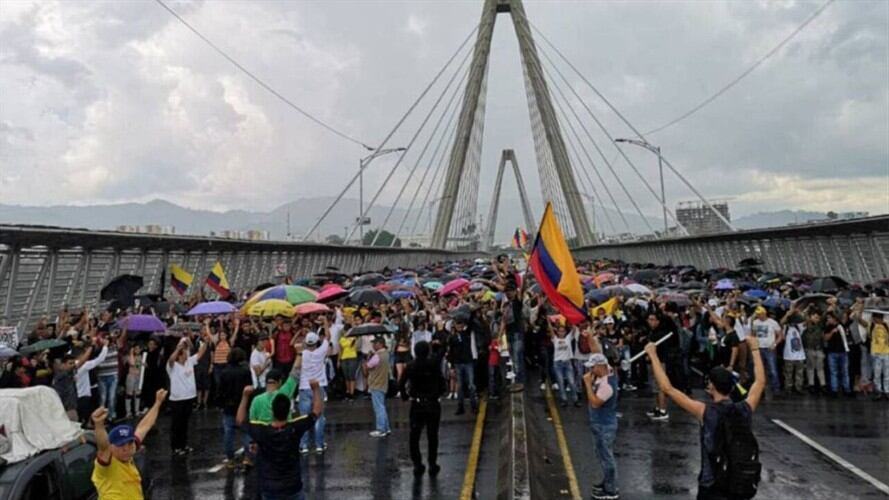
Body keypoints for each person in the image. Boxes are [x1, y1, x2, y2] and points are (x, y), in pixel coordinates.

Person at [645, 335, 765, 500]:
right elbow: (760, 382)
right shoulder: (745, 408)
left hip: (712, 484)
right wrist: (755, 349)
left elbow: (667, 388)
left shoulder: (706, 411)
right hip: (739, 481)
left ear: (712, 387)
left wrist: (653, 355)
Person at [236, 380, 324, 500]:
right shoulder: (295, 428)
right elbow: (316, 412)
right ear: (288, 411)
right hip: (292, 486)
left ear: (272, 410)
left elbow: (240, 420)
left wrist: (245, 396)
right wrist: (316, 389)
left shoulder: (262, 431)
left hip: (270, 487)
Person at [90, 388, 168, 500]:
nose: (126, 449)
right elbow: (103, 446)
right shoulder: (108, 464)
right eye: (121, 445)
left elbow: (144, 426)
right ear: (111, 447)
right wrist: (99, 425)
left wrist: (158, 403)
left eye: (130, 444)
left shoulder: (129, 452)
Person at [399, 341, 447, 476]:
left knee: (414, 435)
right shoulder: (433, 365)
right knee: (433, 435)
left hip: (417, 404)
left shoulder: (411, 366)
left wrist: (404, 395)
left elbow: (401, 382)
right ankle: (432, 463)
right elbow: (442, 382)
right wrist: (439, 392)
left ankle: (417, 463)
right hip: (432, 404)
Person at [582, 353, 619, 500]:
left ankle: (611, 490)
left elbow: (595, 403)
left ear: (600, 366)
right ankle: (607, 482)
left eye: (592, 367)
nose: (590, 370)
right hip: (601, 424)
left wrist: (587, 384)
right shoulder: (605, 374)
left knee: (606, 458)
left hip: (604, 426)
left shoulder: (607, 386)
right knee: (602, 455)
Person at [166, 329, 209, 456]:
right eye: (185, 353)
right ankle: (176, 447)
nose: (187, 354)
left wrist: (206, 342)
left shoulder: (189, 362)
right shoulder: (173, 366)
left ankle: (184, 445)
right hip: (177, 399)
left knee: (185, 423)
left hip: (189, 397)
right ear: (180, 355)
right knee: (177, 424)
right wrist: (178, 348)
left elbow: (200, 353)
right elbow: (171, 359)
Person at [218, 347, 253, 467]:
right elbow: (249, 389)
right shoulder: (245, 371)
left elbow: (220, 390)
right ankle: (248, 457)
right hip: (243, 405)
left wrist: (221, 404)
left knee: (229, 434)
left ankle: (230, 458)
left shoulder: (224, 372)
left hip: (229, 406)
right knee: (246, 433)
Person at [298, 331, 329, 453]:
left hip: (304, 386)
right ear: (317, 342)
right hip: (319, 387)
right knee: (319, 417)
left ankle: (304, 445)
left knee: (304, 417)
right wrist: (325, 322)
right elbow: (328, 336)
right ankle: (319, 445)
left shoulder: (302, 354)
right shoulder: (321, 352)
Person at [853, 309, 889, 400]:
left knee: (887, 374)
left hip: (886, 352)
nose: (877, 319)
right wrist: (859, 313)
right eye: (876, 317)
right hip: (876, 353)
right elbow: (861, 322)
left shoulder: (886, 325)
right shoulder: (871, 325)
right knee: (877, 374)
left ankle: (887, 391)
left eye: (879, 317)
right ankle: (878, 391)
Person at [749, 307, 783, 395]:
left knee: (772, 369)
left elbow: (780, 335)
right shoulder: (755, 322)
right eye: (757, 314)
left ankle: (776, 388)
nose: (758, 316)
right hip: (759, 348)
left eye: (759, 314)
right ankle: (761, 388)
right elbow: (753, 335)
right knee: (759, 369)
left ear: (764, 313)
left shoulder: (773, 322)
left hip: (769, 348)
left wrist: (775, 344)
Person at [448, 317, 478, 415]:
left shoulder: (467, 334)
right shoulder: (452, 338)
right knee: (460, 386)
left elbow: (471, 324)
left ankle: (474, 406)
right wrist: (452, 366)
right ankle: (460, 406)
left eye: (461, 324)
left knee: (471, 385)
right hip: (458, 363)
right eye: (458, 324)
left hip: (468, 361)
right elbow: (451, 352)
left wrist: (470, 315)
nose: (459, 326)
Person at [366, 335, 391, 437]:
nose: (373, 345)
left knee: (379, 408)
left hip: (376, 383)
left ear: (380, 344)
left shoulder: (377, 356)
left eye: (375, 343)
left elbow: (368, 366)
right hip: (383, 383)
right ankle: (386, 427)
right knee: (382, 406)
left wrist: (368, 358)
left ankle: (381, 429)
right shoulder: (386, 354)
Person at [823, 311, 851, 396]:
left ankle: (846, 389)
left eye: (829, 318)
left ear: (834, 318)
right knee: (833, 372)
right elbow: (825, 338)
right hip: (832, 352)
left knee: (845, 371)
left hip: (843, 352)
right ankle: (834, 389)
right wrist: (832, 332)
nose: (828, 319)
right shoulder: (828, 327)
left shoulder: (841, 325)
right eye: (827, 318)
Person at [339, 322, 360, 400]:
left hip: (353, 357)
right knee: (346, 376)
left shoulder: (355, 337)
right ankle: (347, 391)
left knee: (352, 376)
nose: (346, 331)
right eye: (345, 330)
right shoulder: (342, 339)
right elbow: (340, 350)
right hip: (344, 358)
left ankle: (352, 393)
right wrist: (339, 360)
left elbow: (357, 346)